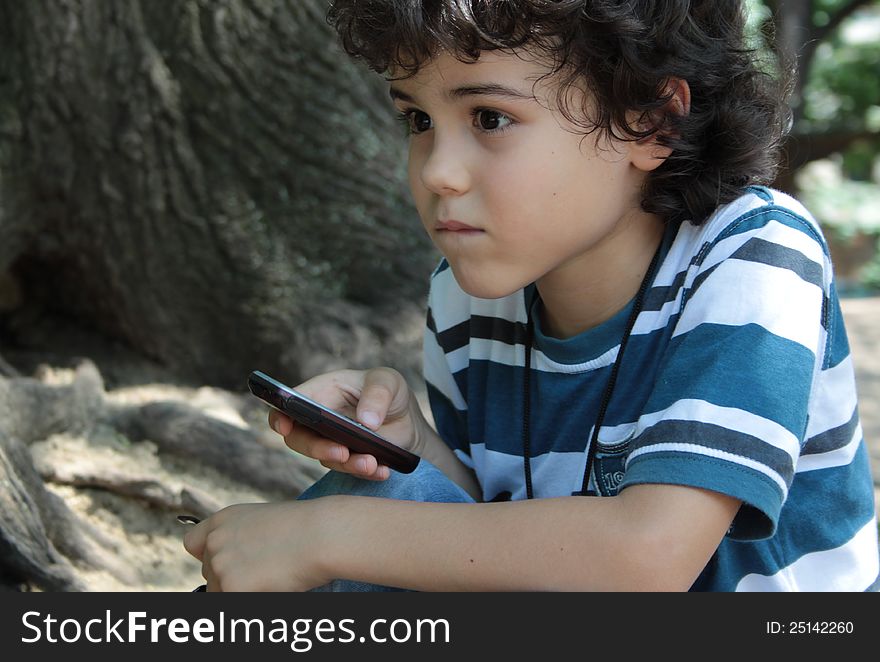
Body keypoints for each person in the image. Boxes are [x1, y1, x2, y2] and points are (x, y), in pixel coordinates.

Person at [183, 0, 879, 591]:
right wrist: (415, 449)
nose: (440, 173)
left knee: (352, 523)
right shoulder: (473, 291)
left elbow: (648, 556)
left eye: (489, 118)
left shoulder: (753, 251)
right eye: (418, 121)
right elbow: (495, 533)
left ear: (651, 121)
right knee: (378, 492)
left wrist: (323, 535)